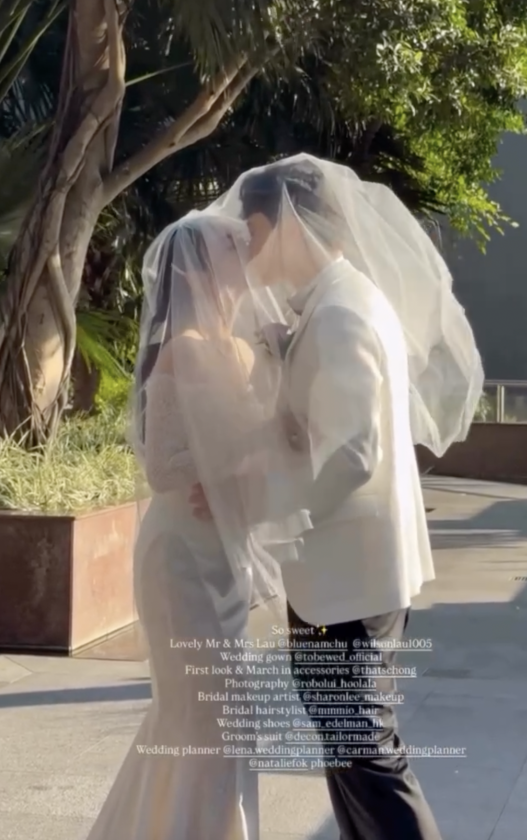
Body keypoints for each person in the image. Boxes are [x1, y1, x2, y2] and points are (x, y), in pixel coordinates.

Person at [204, 155, 483, 840]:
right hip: (347, 572)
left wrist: (264, 506)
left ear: (287, 224)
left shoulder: (339, 314)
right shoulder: (336, 302)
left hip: (349, 579)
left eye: (253, 231)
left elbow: (352, 455)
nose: (248, 247)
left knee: (367, 751)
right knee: (350, 746)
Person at [85, 210, 293, 840]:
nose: (245, 265)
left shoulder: (246, 351)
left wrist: (247, 467)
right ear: (202, 270)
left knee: (221, 718)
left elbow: (263, 442)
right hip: (179, 556)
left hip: (224, 550)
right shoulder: (183, 348)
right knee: (204, 715)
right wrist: (223, 468)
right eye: (232, 255)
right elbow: (163, 464)